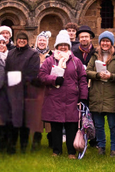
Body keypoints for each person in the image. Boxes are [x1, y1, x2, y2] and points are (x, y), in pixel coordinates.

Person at [38, 30, 88, 159]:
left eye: (66, 45)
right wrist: (54, 79)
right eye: (61, 45)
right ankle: (57, 150)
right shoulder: (50, 61)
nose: (63, 47)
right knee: (56, 126)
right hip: (55, 98)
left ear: (69, 46)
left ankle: (71, 151)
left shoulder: (76, 62)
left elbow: (82, 79)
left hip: (72, 99)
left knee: (71, 125)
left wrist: (83, 96)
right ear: (56, 46)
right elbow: (41, 76)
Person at [86, 30, 115, 156]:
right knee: (98, 125)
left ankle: (114, 148)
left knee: (113, 125)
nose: (105, 43)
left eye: (107, 41)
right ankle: (101, 147)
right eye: (103, 41)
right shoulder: (94, 55)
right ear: (100, 42)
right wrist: (98, 75)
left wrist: (111, 76)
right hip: (96, 94)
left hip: (111, 95)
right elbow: (87, 71)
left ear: (111, 43)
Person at [5, 31, 40, 154]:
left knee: (25, 120)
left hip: (26, 91)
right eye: (19, 38)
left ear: (27, 41)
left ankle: (24, 146)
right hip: (12, 92)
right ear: (16, 40)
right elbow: (6, 69)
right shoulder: (11, 53)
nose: (21, 40)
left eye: (24, 39)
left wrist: (20, 79)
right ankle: (12, 145)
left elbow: (34, 72)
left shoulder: (33, 54)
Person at [31, 31, 52, 149]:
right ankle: (36, 139)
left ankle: (51, 139)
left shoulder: (53, 54)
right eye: (40, 40)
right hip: (36, 88)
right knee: (36, 114)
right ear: (37, 42)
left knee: (49, 113)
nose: (42, 42)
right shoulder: (32, 54)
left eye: (44, 40)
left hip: (48, 88)